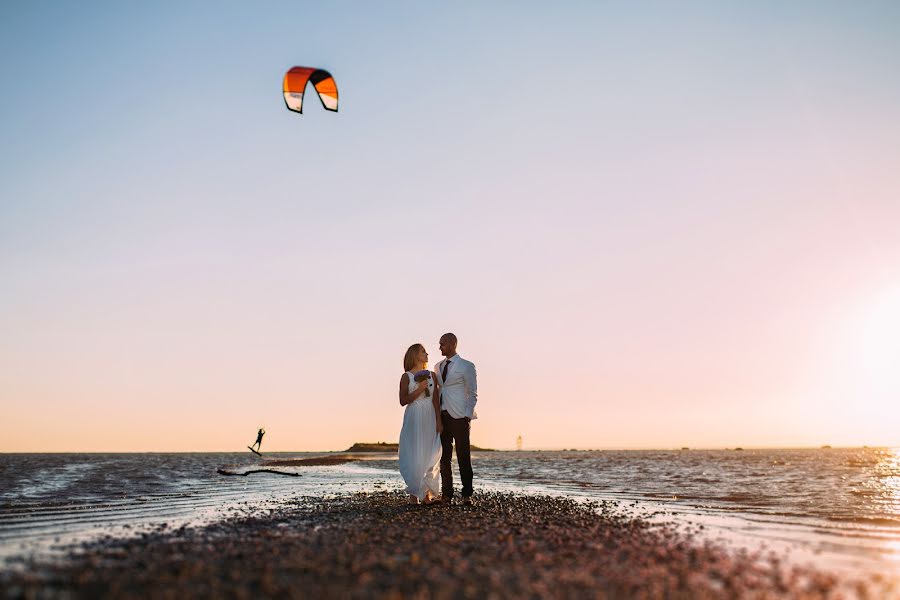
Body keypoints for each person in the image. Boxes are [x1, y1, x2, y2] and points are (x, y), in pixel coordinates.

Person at [398, 343, 443, 504]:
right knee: (414, 454)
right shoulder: (406, 376)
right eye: (423, 351)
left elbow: (436, 400)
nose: (427, 354)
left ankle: (426, 494)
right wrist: (419, 389)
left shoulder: (432, 375)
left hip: (429, 415)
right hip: (414, 416)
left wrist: (439, 420)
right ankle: (414, 495)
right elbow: (402, 401)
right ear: (414, 355)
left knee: (431, 453)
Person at [435, 332, 477, 505]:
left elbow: (472, 393)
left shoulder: (466, 365)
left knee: (463, 456)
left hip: (460, 416)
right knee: (444, 458)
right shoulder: (437, 367)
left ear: (452, 344)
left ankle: (467, 495)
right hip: (442, 416)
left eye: (442, 344)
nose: (439, 347)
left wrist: (467, 415)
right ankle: (447, 495)